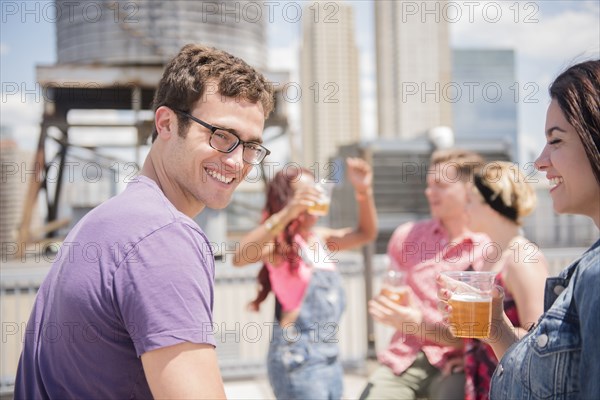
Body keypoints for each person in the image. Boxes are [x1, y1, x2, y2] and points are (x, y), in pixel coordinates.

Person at [14, 44, 274, 399]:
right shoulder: (165, 238)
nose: (236, 161)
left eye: (250, 146)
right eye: (222, 136)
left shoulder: (101, 222)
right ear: (166, 123)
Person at [438, 59, 600, 399]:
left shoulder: (531, 258)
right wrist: (496, 330)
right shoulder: (587, 267)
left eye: (555, 141)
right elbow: (543, 376)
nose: (540, 160)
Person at [232, 159, 378, 399]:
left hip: (329, 358)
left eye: (316, 192)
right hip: (298, 359)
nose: (314, 199)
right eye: (306, 194)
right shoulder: (279, 246)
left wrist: (363, 191)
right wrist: (288, 213)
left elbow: (366, 233)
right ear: (286, 199)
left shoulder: (319, 239)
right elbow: (239, 257)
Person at [360, 149, 490, 400]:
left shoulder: (487, 248)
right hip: (405, 357)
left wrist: (415, 322)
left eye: (440, 185)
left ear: (469, 190)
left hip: (456, 360)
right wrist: (387, 307)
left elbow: (482, 331)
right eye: (429, 185)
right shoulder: (407, 236)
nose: (429, 192)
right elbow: (391, 288)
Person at [458, 161, 548, 400]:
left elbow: (537, 337)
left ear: (490, 204)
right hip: (486, 384)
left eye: (470, 200)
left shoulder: (522, 258)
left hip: (514, 387)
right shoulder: (489, 255)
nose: (464, 208)